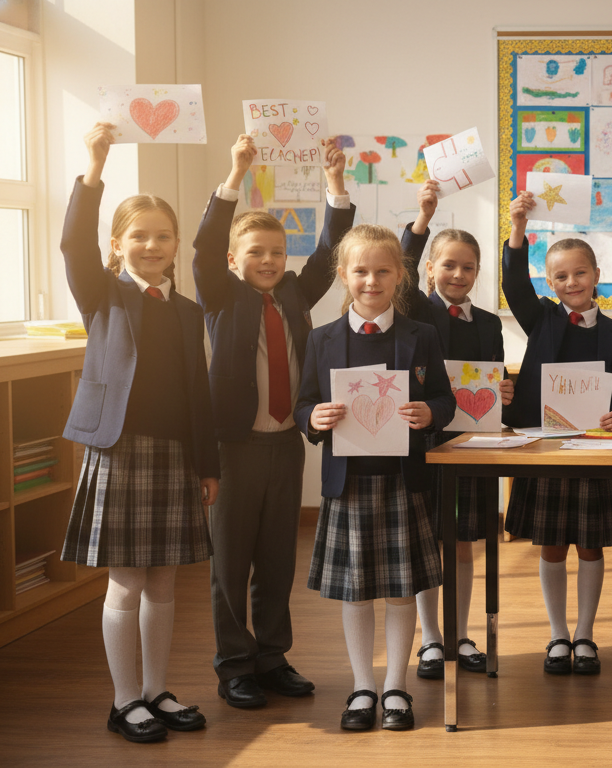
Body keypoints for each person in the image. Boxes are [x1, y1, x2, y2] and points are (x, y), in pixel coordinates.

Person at [61, 123, 219, 742]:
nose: (151, 246)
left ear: (177, 244)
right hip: (120, 453)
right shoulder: (101, 294)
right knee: (126, 577)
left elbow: (198, 395)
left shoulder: (186, 309)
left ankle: (156, 689)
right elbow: (73, 245)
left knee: (163, 578)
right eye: (139, 236)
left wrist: (207, 465)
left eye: (162, 236)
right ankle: (124, 699)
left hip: (176, 456)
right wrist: (94, 168)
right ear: (117, 244)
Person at [195, 133, 352, 709]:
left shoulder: (294, 294)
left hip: (287, 445)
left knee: (277, 559)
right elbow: (206, 247)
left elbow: (330, 252)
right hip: (233, 448)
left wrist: (335, 184)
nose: (267, 261)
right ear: (235, 260)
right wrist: (235, 175)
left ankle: (272, 656)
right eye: (255, 253)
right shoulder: (219, 295)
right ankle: (234, 664)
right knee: (231, 563)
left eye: (276, 252)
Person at [295, 225, 456, 732]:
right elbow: (303, 403)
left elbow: (446, 400)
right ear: (343, 274)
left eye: (382, 270)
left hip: (403, 482)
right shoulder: (321, 339)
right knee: (355, 592)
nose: (371, 280)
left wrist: (429, 414)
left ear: (400, 274)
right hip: (348, 486)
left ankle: (396, 688)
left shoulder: (420, 335)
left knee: (402, 592)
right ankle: (363, 686)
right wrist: (312, 420)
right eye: (360, 271)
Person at [502, 192, 612, 676]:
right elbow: (514, 283)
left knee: (590, 545)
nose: (570, 282)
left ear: (596, 275)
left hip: (594, 450)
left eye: (579, 273)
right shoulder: (542, 317)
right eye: (560, 276)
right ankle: (558, 634)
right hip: (545, 446)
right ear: (550, 282)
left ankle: (585, 634)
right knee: (551, 544)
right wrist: (518, 228)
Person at [400, 181, 513, 678]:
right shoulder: (414, 310)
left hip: (472, 445)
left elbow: (494, 373)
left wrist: (503, 391)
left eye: (468, 267)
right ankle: (430, 639)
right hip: (423, 443)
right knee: (427, 542)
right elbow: (400, 274)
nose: (459, 274)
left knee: (463, 542)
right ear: (429, 268)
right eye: (448, 265)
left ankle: (461, 633)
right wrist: (424, 219)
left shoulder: (489, 323)